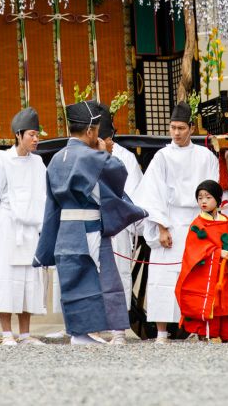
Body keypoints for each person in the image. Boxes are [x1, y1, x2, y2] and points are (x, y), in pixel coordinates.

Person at [36, 101, 147, 345]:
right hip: (89, 227)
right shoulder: (90, 156)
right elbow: (115, 178)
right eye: (96, 130)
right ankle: (93, 333)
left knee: (74, 280)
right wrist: (103, 154)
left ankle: (79, 333)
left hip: (66, 229)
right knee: (102, 278)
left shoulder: (55, 158)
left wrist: (49, 237)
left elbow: (51, 202)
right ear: (89, 131)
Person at [137, 101, 220, 343]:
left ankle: (197, 327)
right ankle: (162, 331)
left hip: (197, 222)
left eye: (181, 128)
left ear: (191, 128)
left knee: (197, 277)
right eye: (173, 127)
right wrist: (161, 226)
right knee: (163, 277)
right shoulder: (162, 156)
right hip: (170, 220)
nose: (176, 133)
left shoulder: (205, 156)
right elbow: (153, 193)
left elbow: (214, 190)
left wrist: (207, 224)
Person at [0, 106, 48, 346]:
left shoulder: (39, 163)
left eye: (37, 134)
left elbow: (44, 196)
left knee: (28, 278)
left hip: (30, 229)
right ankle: (7, 333)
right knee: (6, 277)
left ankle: (26, 334)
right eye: (31, 134)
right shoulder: (1, 161)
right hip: (8, 226)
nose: (36, 139)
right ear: (18, 135)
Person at [175, 180, 228, 344]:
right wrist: (217, 253)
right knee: (212, 302)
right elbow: (194, 248)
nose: (203, 201)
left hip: (225, 272)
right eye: (200, 197)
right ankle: (208, 333)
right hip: (207, 274)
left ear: (217, 199)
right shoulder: (198, 224)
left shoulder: (227, 222)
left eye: (208, 197)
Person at [94, 102, 144, 312]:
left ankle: (118, 325)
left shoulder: (124, 157)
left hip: (116, 226)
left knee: (117, 272)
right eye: (107, 139)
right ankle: (91, 324)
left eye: (111, 138)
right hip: (90, 223)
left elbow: (132, 194)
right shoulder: (82, 155)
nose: (110, 142)